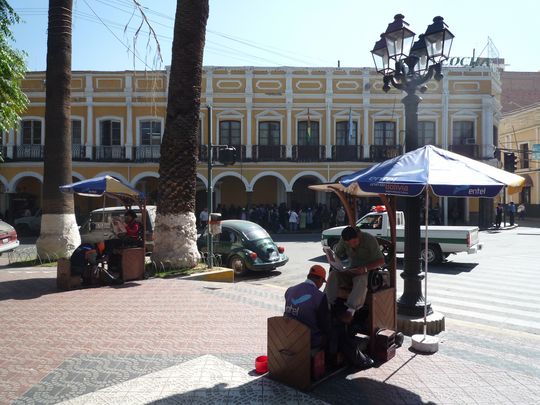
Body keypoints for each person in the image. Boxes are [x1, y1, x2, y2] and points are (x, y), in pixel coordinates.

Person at [325, 226, 385, 324]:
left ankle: (350, 311)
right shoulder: (345, 240)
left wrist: (365, 268)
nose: (352, 246)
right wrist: (332, 258)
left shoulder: (369, 239)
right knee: (334, 274)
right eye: (349, 244)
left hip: (369, 271)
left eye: (354, 243)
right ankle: (327, 305)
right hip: (352, 269)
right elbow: (338, 254)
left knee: (360, 279)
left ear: (359, 236)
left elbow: (381, 260)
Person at [284, 265, 331, 348]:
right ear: (320, 279)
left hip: (288, 335)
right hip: (309, 340)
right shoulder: (320, 296)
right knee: (334, 336)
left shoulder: (290, 290)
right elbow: (324, 325)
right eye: (322, 282)